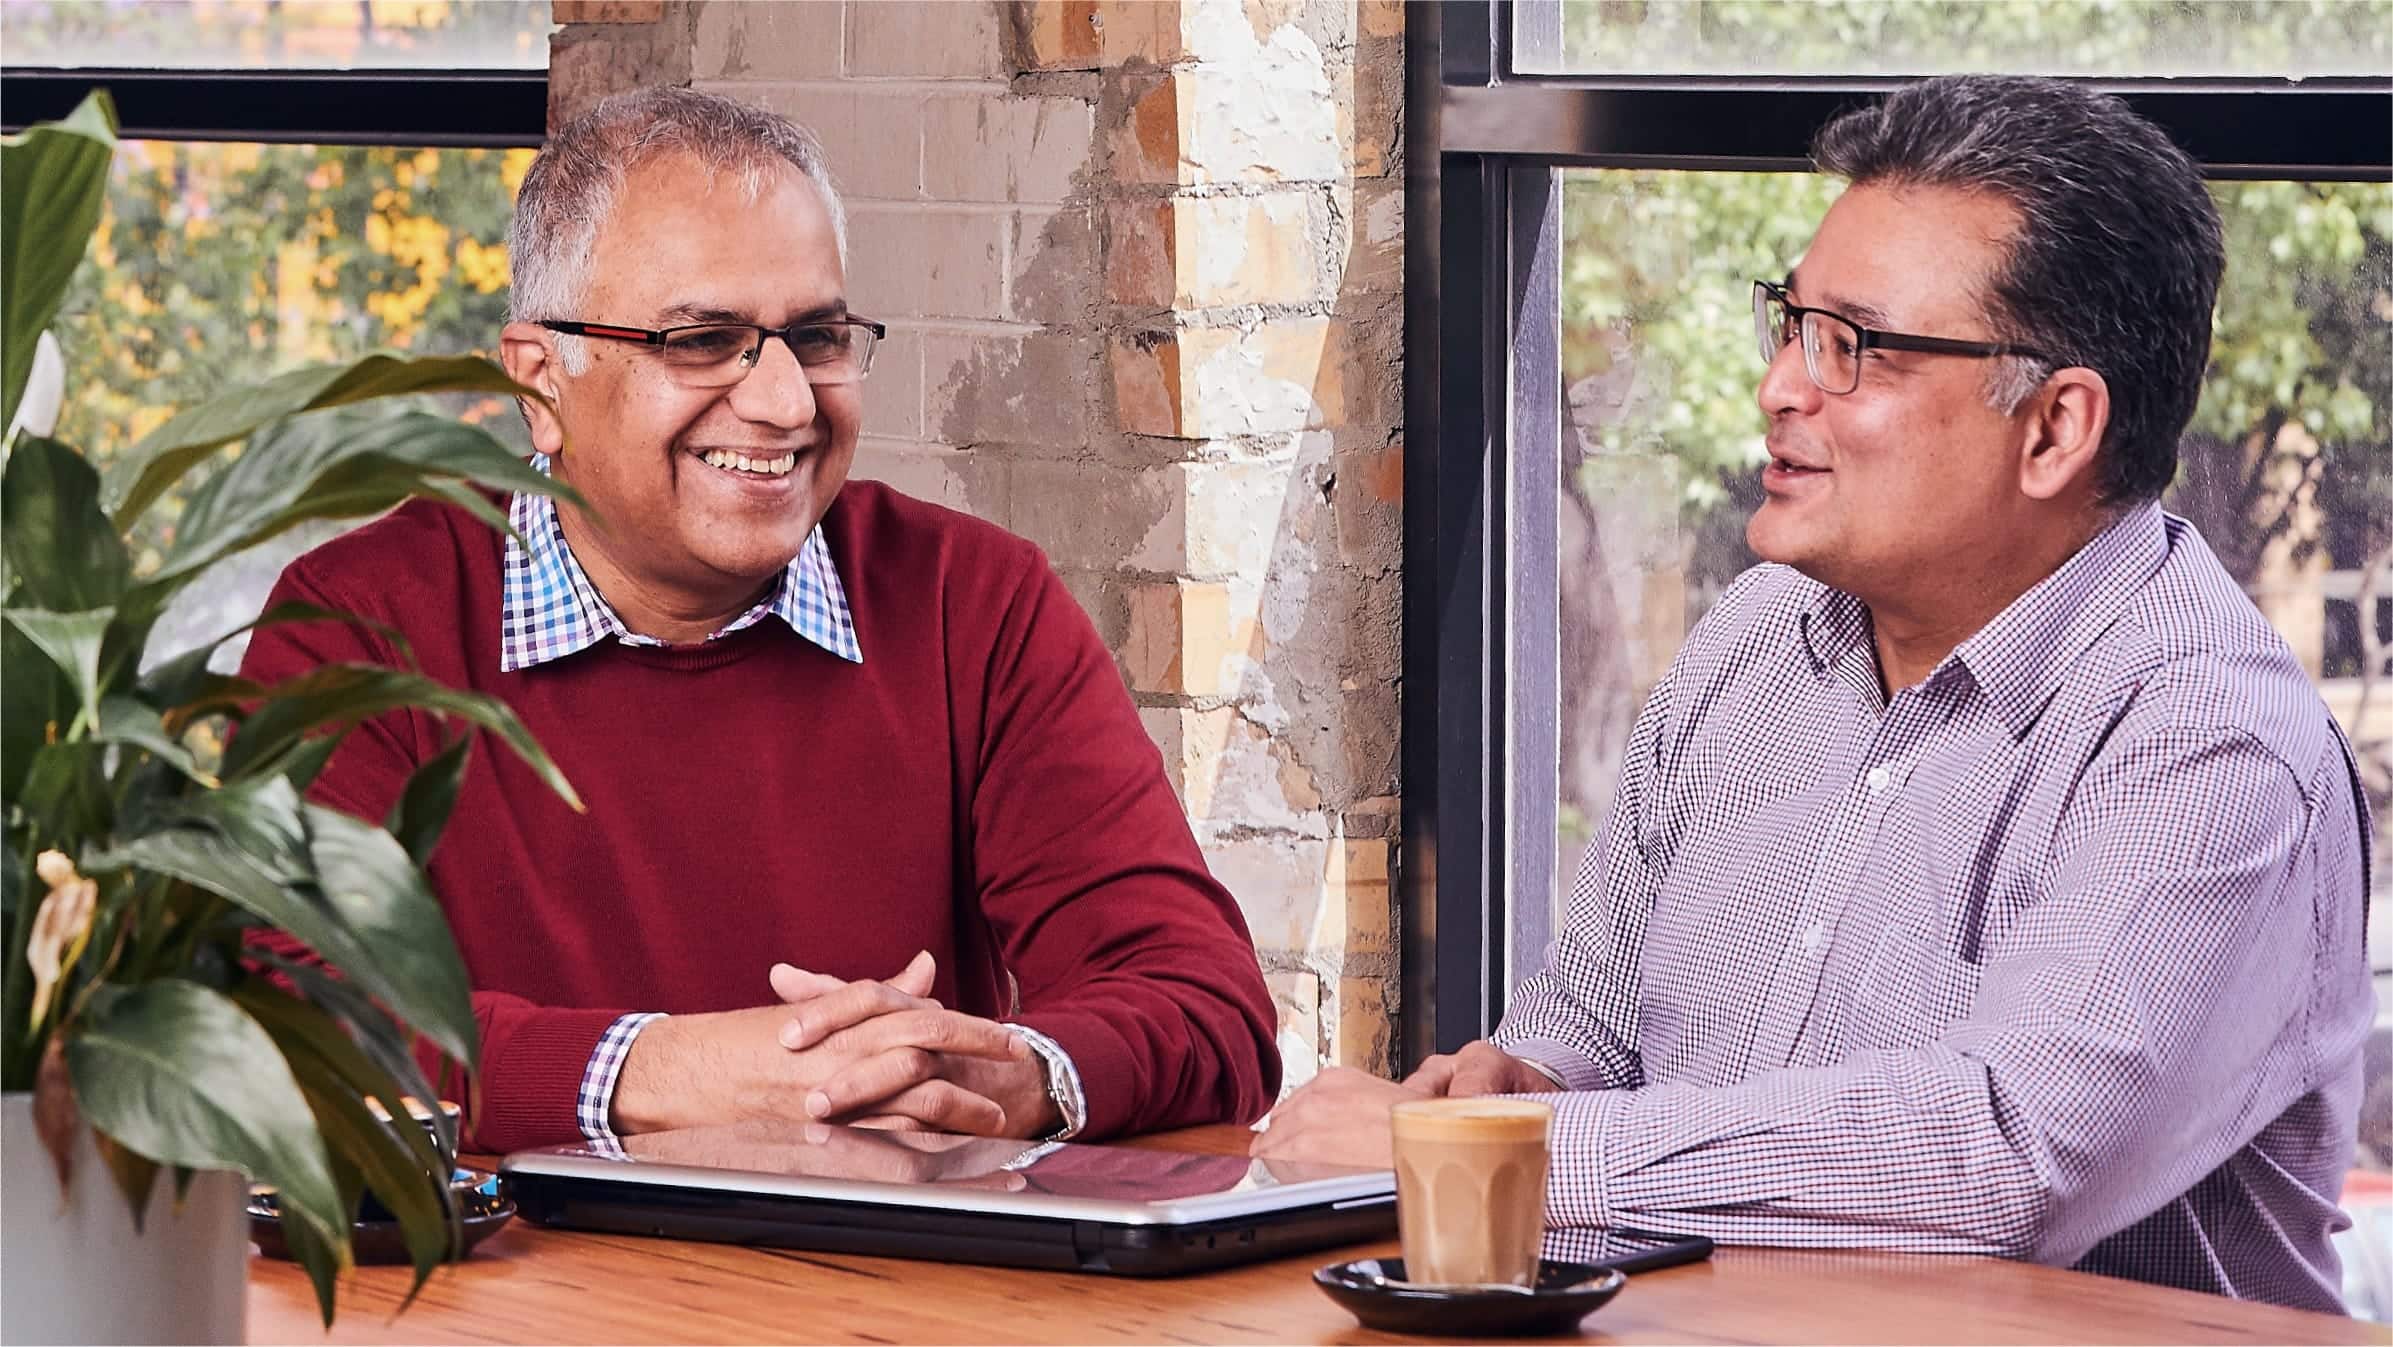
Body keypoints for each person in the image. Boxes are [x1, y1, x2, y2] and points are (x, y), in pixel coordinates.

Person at [1256, 74, 2373, 1312]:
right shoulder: (1755, 639)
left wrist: (1483, 1156)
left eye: (1853, 348)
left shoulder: (2204, 742)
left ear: (2054, 430)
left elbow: (1995, 1158)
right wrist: (1507, 1092)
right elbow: (1587, 1036)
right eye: (1788, 324)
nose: (1779, 390)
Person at [241, 86, 1278, 1155]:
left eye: (815, 335)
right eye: (702, 340)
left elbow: (1205, 1001)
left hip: (897, 1303)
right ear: (541, 383)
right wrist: (661, 1072)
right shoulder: (364, 626)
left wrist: (992, 1073)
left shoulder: (972, 602)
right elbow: (267, 1012)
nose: (785, 403)